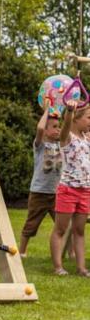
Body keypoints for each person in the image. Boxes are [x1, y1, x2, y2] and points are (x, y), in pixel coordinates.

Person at [50, 100, 90, 277]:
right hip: (68, 190)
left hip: (85, 190)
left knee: (79, 230)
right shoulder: (67, 138)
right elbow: (66, 125)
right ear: (76, 119)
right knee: (60, 229)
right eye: (89, 118)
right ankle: (58, 267)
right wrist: (69, 111)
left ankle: (81, 268)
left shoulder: (87, 139)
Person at [19, 99, 64, 257]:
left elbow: (68, 131)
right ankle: (22, 252)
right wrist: (47, 109)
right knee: (31, 225)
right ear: (45, 131)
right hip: (39, 193)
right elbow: (39, 128)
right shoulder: (40, 146)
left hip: (56, 194)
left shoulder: (62, 145)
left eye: (59, 127)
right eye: (54, 127)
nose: (58, 130)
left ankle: (69, 253)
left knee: (62, 226)